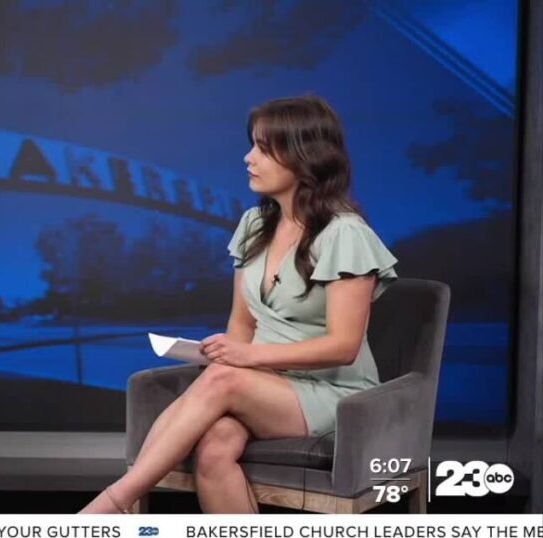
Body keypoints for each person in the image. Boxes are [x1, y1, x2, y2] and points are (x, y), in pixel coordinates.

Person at [80, 95, 398, 514]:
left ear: (305, 156)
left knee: (222, 381)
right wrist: (228, 353)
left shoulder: (345, 234)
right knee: (214, 449)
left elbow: (344, 346)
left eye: (263, 149)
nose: (249, 159)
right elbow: (242, 325)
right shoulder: (254, 226)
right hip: (265, 385)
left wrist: (246, 359)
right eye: (252, 146)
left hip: (335, 394)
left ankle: (114, 503)